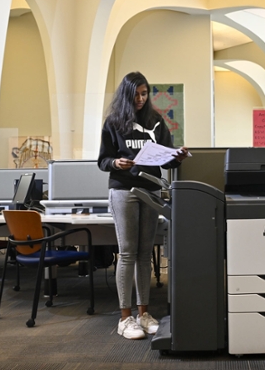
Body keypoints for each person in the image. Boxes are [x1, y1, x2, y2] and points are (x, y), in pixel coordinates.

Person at [98, 71, 189, 340]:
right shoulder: (114, 123)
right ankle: (125, 319)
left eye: (144, 93)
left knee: (145, 252)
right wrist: (117, 162)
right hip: (123, 190)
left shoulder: (156, 121)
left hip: (150, 189)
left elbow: (166, 160)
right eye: (136, 94)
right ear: (127, 94)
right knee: (127, 253)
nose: (141, 98)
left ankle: (143, 313)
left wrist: (178, 156)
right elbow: (103, 160)